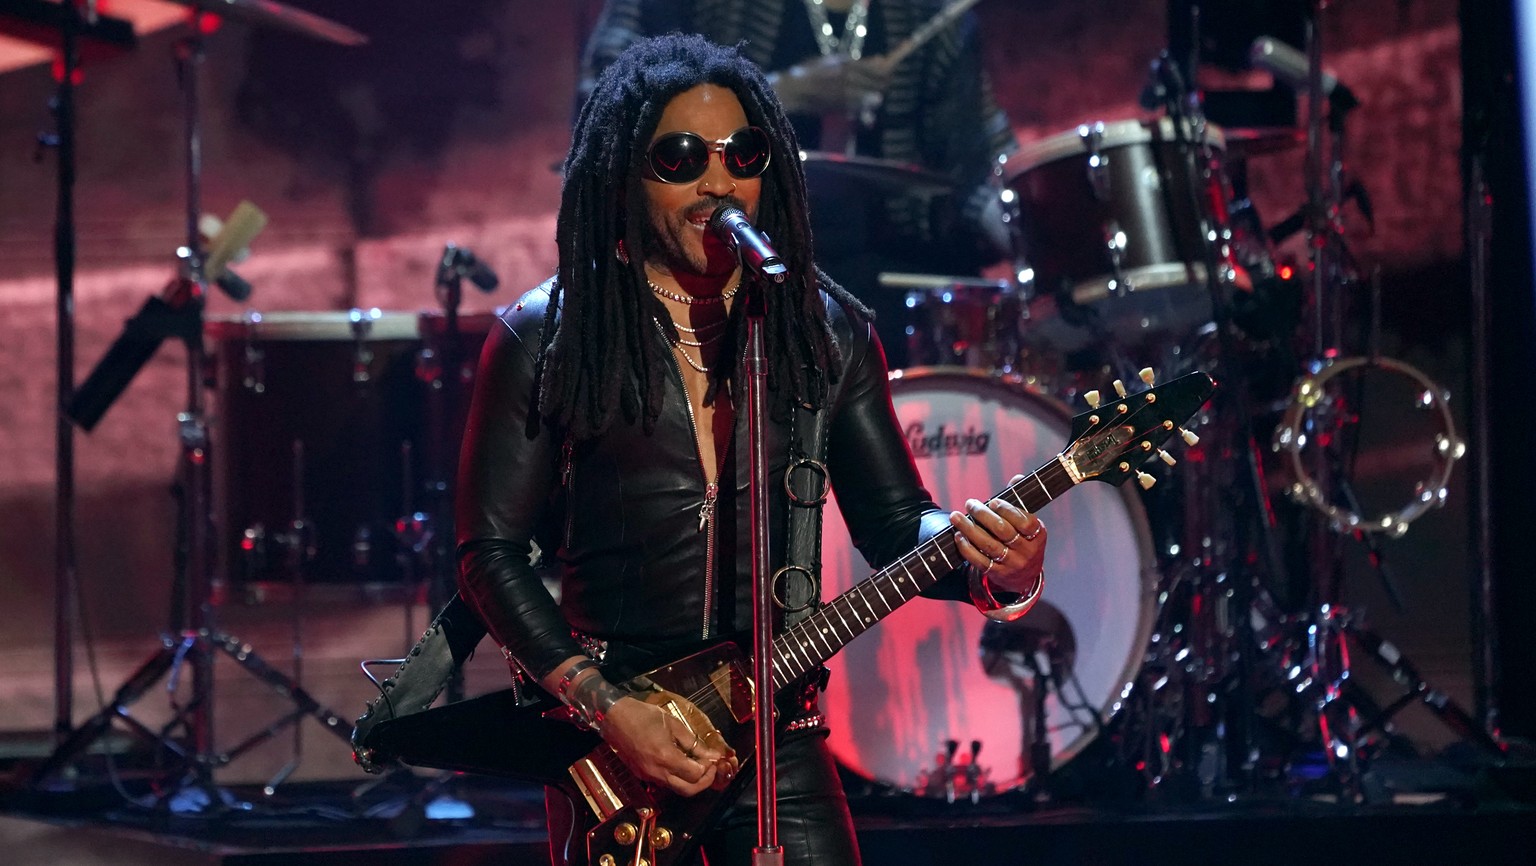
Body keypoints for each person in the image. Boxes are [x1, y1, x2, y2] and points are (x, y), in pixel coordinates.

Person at [455, 34, 1045, 866]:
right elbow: (490, 553)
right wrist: (602, 705)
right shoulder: (551, 333)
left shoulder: (823, 330)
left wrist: (998, 571)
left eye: (743, 153)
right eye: (681, 157)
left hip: (779, 738)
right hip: (617, 737)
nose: (718, 180)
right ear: (626, 171)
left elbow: (896, 525)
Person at [580, 0, 1020, 367]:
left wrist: (1026, 219)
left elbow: (975, 155)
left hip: (893, 284)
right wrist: (776, 95)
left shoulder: (929, 12)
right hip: (733, 271)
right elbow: (610, 97)